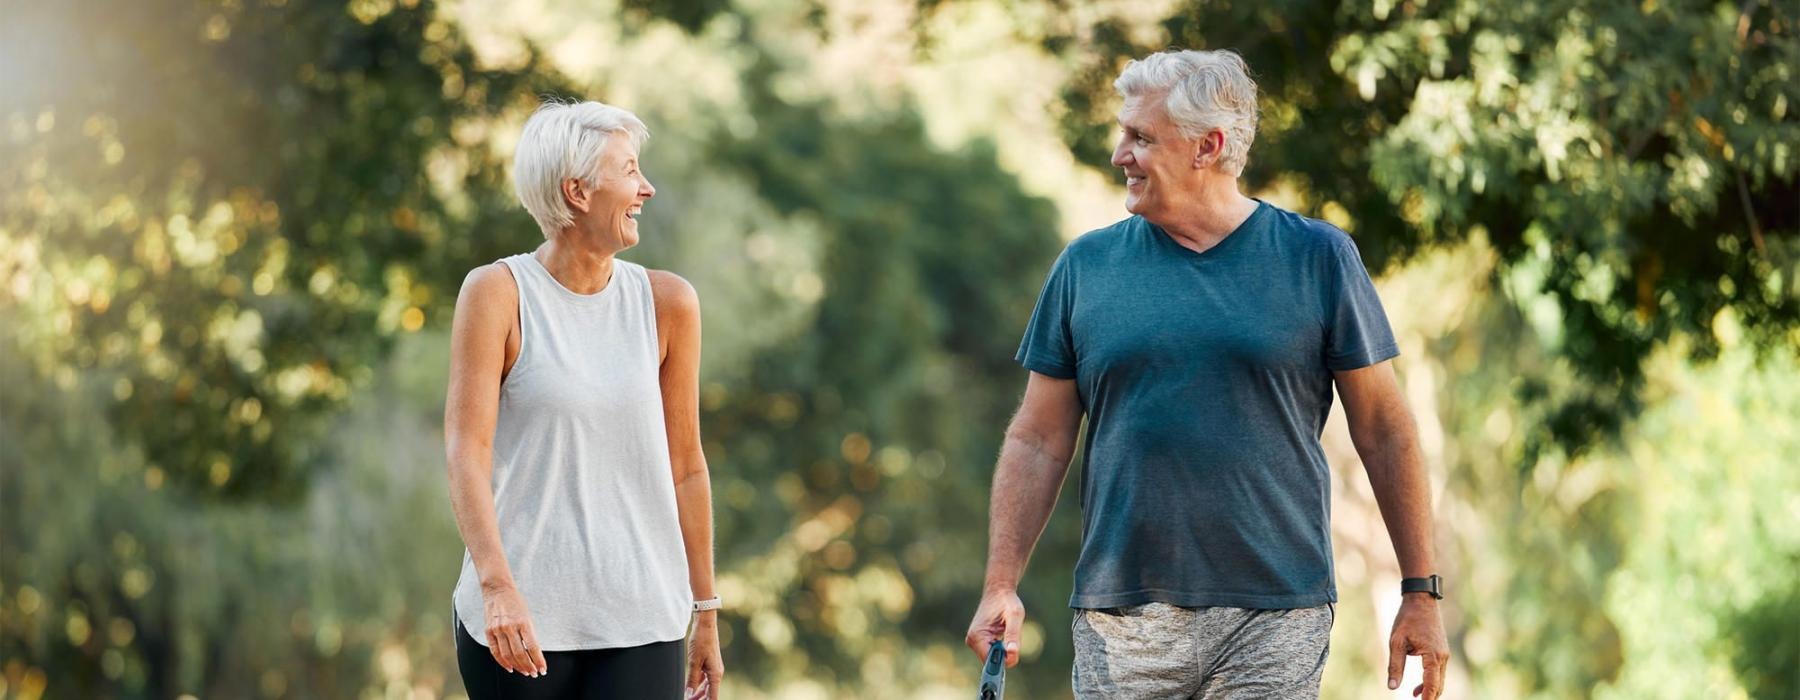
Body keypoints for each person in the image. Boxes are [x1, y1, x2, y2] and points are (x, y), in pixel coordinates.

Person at [963, 49, 1450, 699]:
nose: (1120, 154)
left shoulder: (1317, 258)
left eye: (1141, 137)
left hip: (1275, 614)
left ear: (1208, 146)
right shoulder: (1085, 268)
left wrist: (1420, 591)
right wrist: (1001, 583)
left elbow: (1385, 428)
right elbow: (1037, 439)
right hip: (1122, 623)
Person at [444, 99, 724, 699]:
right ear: (576, 191)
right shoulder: (497, 293)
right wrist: (496, 587)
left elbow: (687, 468)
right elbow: (467, 451)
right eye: (629, 170)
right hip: (517, 623)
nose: (646, 188)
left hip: (642, 620)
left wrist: (706, 611)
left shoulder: (668, 304)